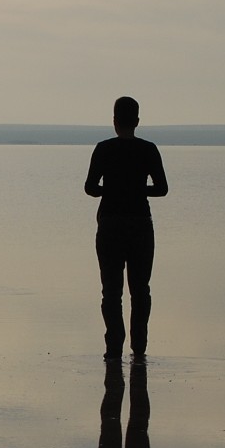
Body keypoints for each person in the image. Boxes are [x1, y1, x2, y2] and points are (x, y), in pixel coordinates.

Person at [83, 96, 168, 361]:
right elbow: (162, 189)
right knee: (140, 289)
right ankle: (139, 348)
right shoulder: (148, 149)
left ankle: (113, 348)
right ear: (138, 121)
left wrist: (112, 188)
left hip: (110, 224)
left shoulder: (103, 149)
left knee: (111, 290)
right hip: (140, 224)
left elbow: (90, 188)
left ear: (114, 121)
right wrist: (136, 188)